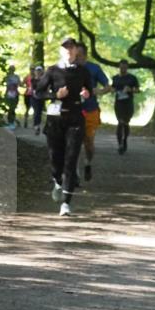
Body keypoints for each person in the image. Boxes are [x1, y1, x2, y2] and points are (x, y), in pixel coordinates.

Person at [35, 37, 94, 216]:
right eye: (65, 47)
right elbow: (38, 93)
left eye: (72, 47)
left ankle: (66, 204)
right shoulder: (52, 71)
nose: (69, 50)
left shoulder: (83, 71)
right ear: (61, 51)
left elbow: (89, 91)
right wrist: (55, 94)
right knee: (56, 160)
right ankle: (57, 181)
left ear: (77, 51)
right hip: (55, 119)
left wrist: (86, 93)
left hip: (75, 118)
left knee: (71, 160)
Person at [74, 42, 111, 182]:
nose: (77, 58)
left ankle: (88, 163)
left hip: (91, 110)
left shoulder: (94, 69)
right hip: (74, 110)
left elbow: (108, 86)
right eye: (75, 55)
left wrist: (99, 91)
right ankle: (75, 174)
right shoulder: (70, 68)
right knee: (74, 142)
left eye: (80, 55)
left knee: (88, 143)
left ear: (85, 55)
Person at [111, 59, 141, 154]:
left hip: (128, 103)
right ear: (119, 67)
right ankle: (120, 144)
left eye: (124, 67)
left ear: (127, 67)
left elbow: (138, 90)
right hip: (119, 103)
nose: (123, 68)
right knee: (120, 122)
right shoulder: (115, 78)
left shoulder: (132, 78)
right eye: (121, 67)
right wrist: (112, 90)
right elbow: (112, 88)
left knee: (126, 123)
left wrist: (130, 90)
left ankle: (125, 140)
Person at [30, 65, 46, 135]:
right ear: (35, 72)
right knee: (36, 111)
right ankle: (36, 126)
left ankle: (37, 125)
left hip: (41, 98)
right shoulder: (33, 79)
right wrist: (35, 94)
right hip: (34, 98)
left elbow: (46, 88)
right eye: (37, 71)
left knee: (39, 112)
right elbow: (32, 88)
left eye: (40, 70)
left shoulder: (44, 79)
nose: (38, 72)